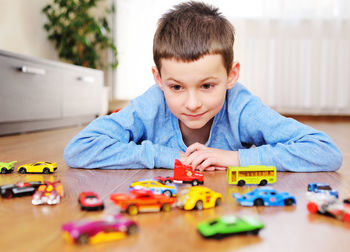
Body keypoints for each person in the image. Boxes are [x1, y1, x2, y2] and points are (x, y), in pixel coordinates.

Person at [64, 1, 342, 172]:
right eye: (176, 87)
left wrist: (235, 158)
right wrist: (165, 156)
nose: (192, 103)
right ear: (158, 79)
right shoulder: (152, 103)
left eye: (207, 85)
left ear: (231, 76)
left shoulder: (241, 106)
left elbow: (324, 151)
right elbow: (79, 149)